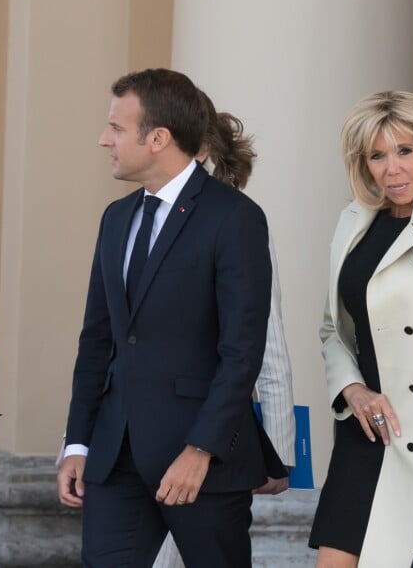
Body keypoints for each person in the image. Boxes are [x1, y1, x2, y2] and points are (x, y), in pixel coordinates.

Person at [57, 68, 286, 568]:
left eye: (116, 128)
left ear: (158, 138)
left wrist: (200, 449)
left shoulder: (236, 218)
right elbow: (97, 341)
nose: (104, 139)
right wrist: (78, 442)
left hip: (201, 462)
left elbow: (241, 350)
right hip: (115, 456)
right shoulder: (115, 219)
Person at [152, 91, 297, 568]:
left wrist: (277, 453)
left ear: (201, 151)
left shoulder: (236, 219)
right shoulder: (135, 220)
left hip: (207, 441)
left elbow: (265, 345)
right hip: (140, 435)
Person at [309, 90, 413, 567]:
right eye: (377, 155)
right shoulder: (354, 221)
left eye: (405, 151)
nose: (391, 168)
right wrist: (352, 389)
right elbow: (332, 328)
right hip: (369, 430)